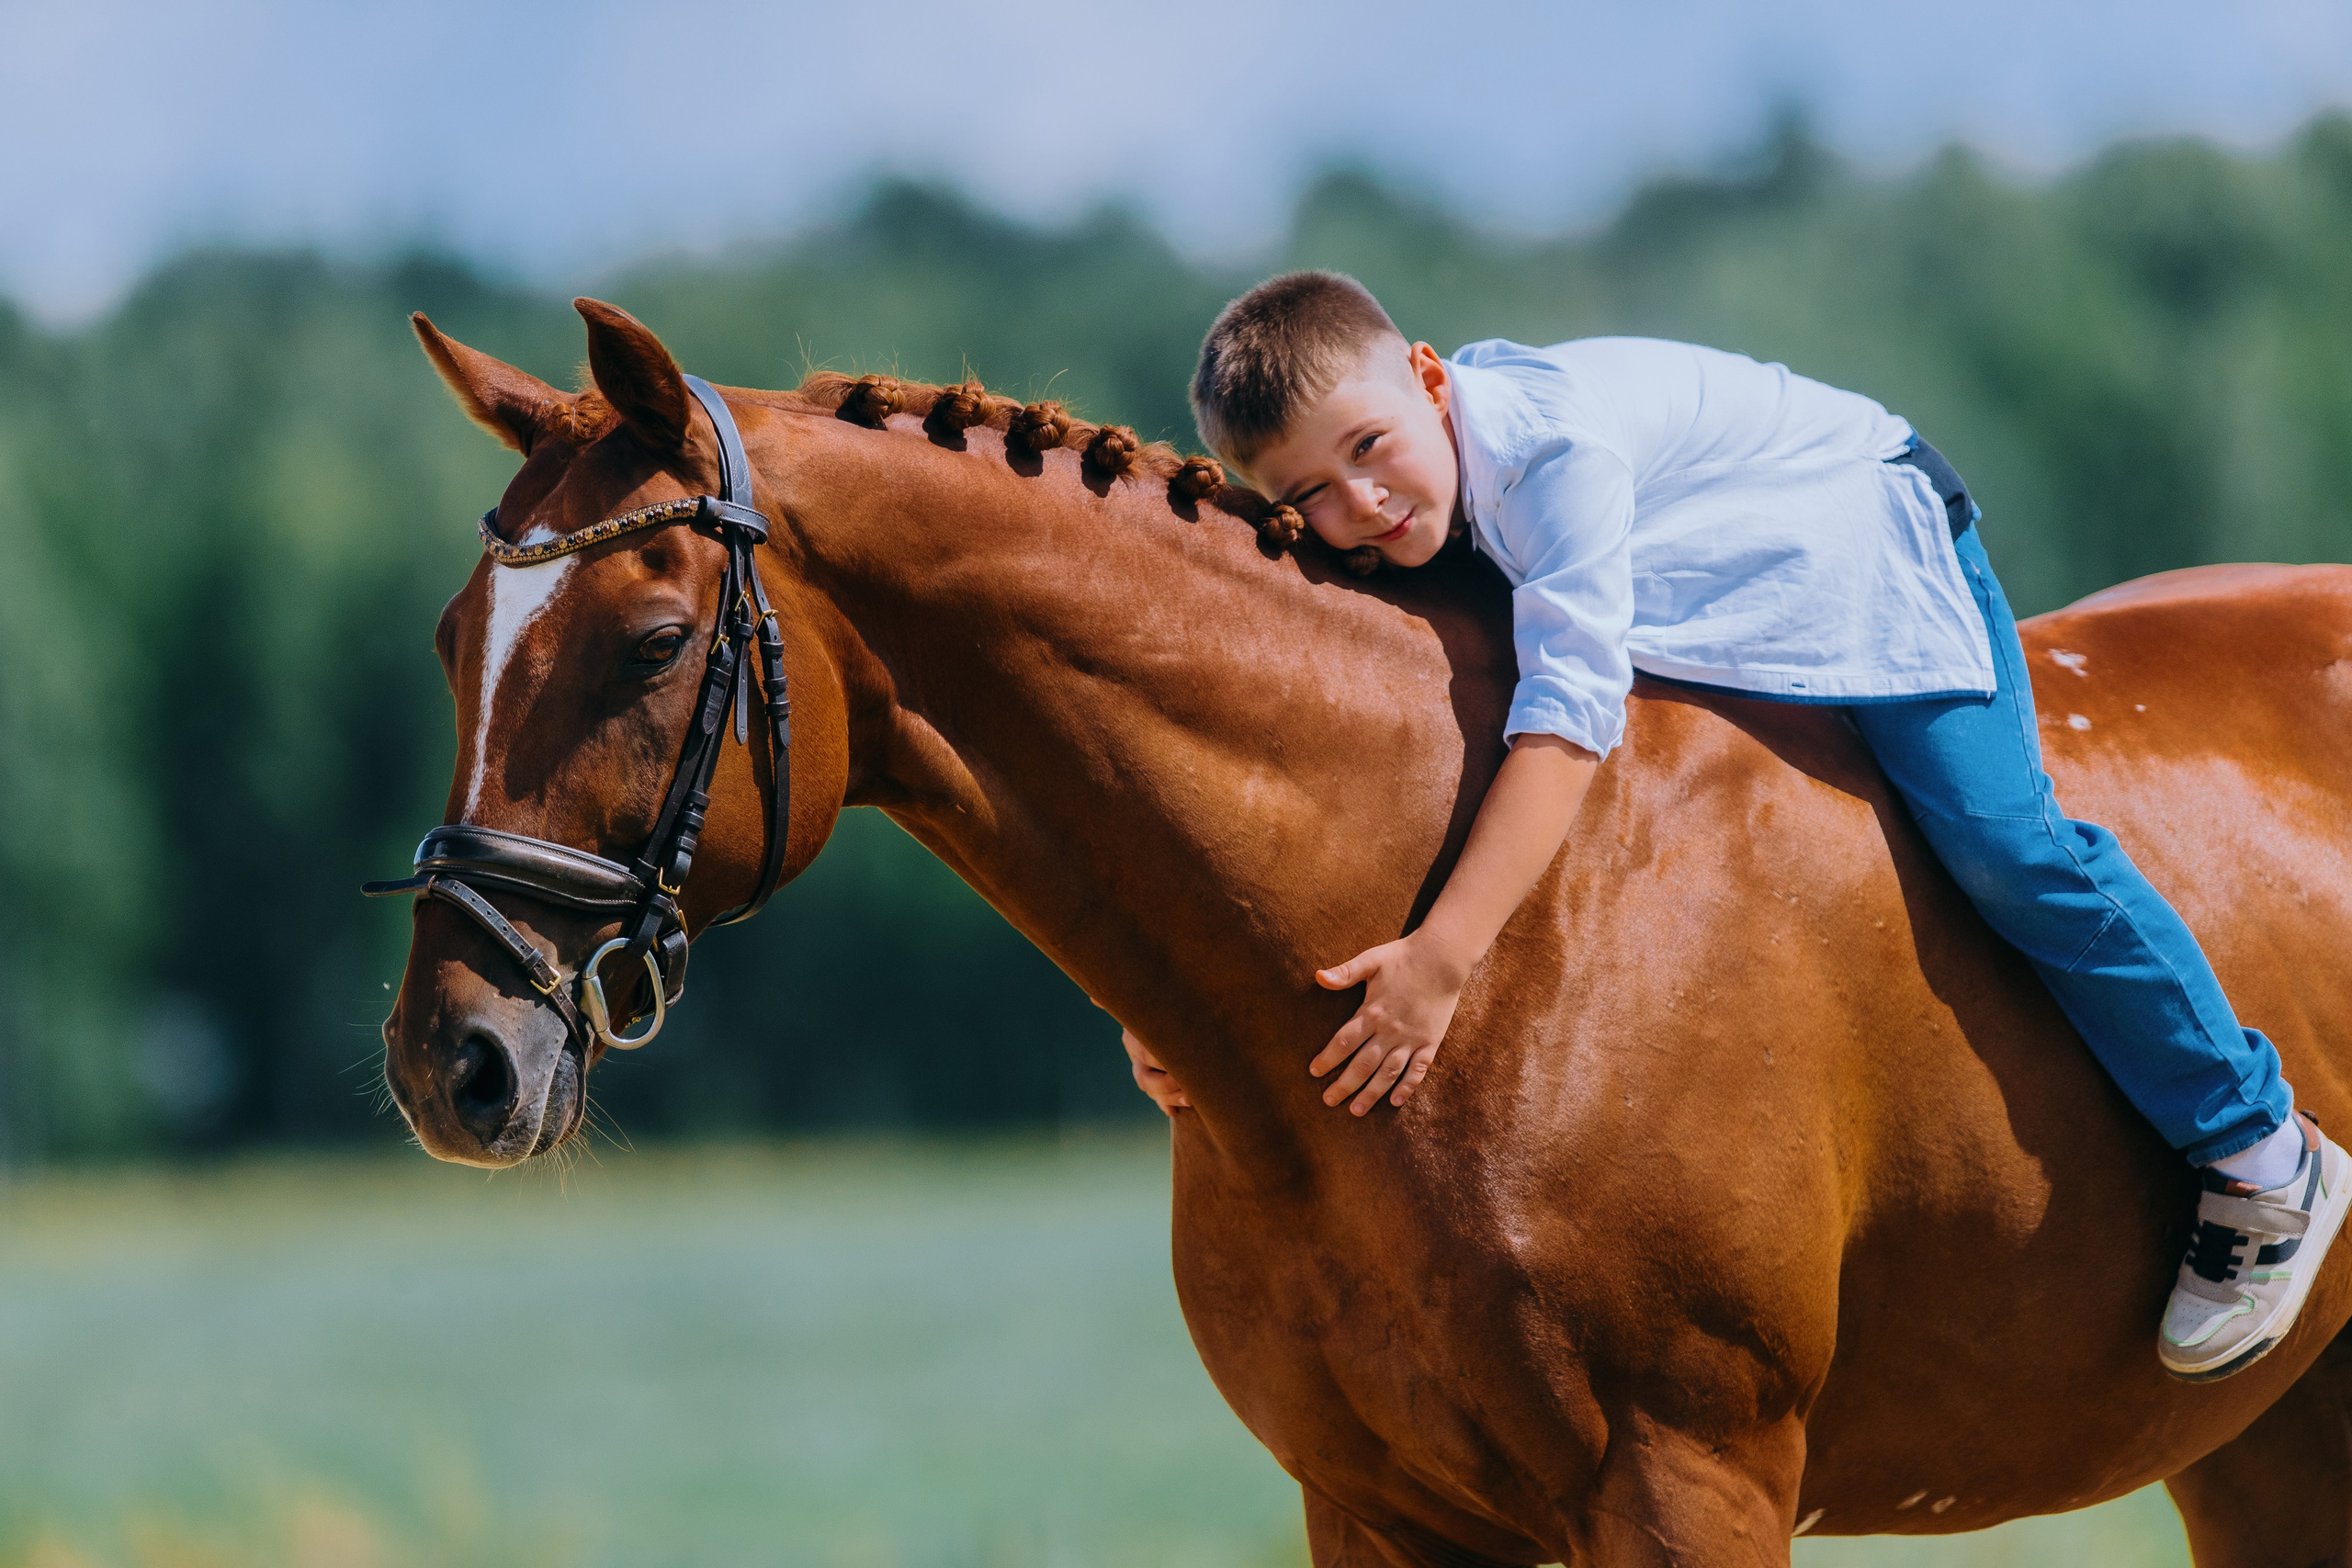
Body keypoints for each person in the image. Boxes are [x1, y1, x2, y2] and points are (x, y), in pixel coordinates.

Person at [1121, 269, 2346, 1383]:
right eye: (1308, 495)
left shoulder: (1549, 458)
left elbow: (1570, 716)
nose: (1362, 502)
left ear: (1431, 380)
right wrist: (1171, 1013)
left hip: (1862, 535)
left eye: (1370, 448)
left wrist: (1442, 959)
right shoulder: (1409, 503)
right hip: (1706, 574)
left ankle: (2257, 1147)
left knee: (2005, 847)